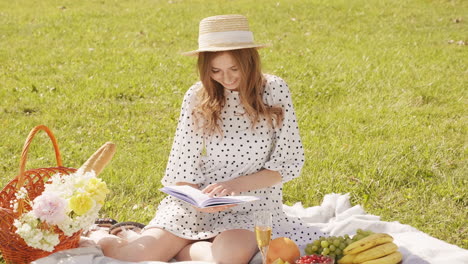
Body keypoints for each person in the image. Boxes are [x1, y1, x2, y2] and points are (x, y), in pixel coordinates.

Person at [89, 14, 325, 264]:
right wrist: (197, 199)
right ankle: (101, 232)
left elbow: (287, 163)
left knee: (229, 258)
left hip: (253, 203)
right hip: (203, 200)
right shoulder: (197, 96)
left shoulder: (274, 89)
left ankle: (182, 248)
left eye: (234, 68)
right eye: (216, 70)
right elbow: (181, 166)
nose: (227, 78)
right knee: (131, 256)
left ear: (250, 61)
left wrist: (234, 187)